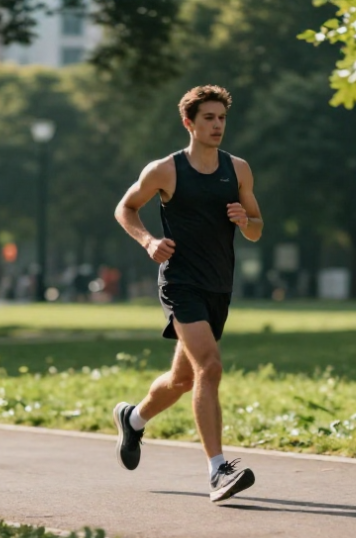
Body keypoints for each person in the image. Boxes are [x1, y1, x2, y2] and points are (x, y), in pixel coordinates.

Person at [113, 85, 264, 503]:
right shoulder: (166, 170)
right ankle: (218, 471)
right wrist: (147, 242)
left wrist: (243, 219)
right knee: (210, 368)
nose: (217, 125)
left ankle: (134, 418)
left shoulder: (238, 170)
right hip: (180, 282)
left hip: (219, 284)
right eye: (209, 118)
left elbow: (256, 228)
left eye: (222, 118)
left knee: (183, 379)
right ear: (189, 123)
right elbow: (125, 208)